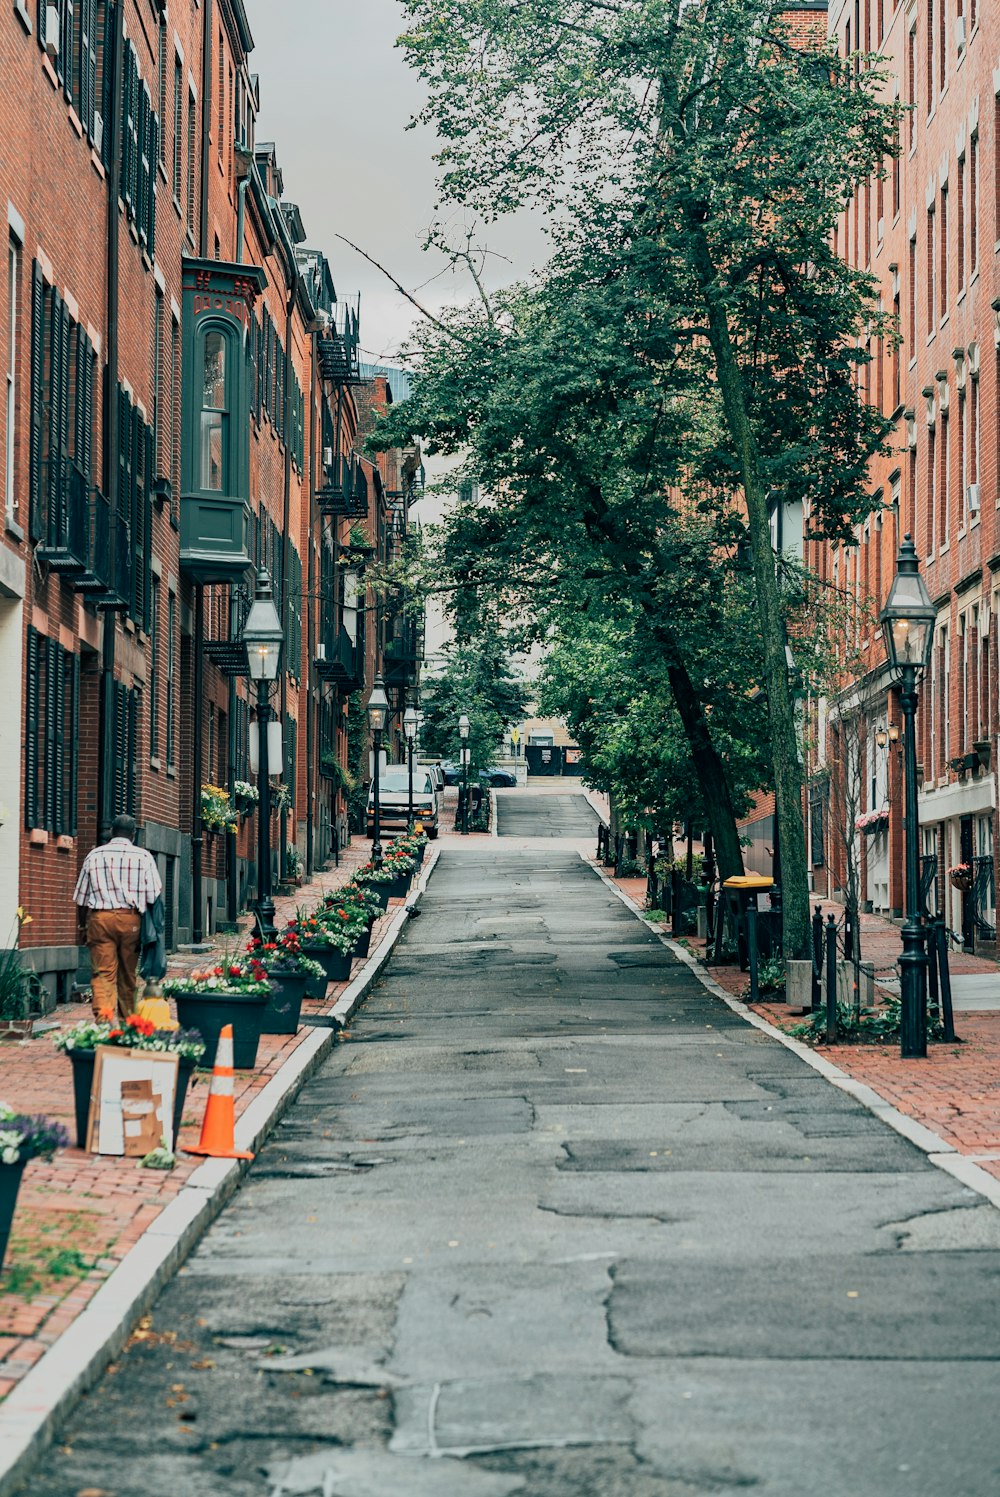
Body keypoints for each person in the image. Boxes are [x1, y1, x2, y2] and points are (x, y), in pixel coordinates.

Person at [74, 815, 163, 1021]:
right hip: (131, 920)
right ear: (133, 834)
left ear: (112, 832)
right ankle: (128, 1020)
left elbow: (82, 898)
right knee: (127, 973)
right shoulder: (143, 857)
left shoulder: (94, 856)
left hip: (100, 919)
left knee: (103, 973)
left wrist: (81, 926)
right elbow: (153, 895)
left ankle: (104, 1019)